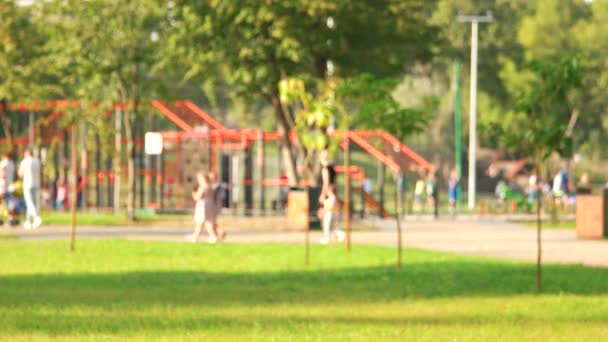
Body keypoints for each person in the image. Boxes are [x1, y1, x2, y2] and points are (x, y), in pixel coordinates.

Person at [187, 172, 219, 244]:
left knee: (205, 222)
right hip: (210, 205)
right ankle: (195, 236)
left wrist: (194, 195)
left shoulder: (203, 187)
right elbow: (214, 197)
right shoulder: (210, 187)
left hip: (202, 206)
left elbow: (198, 197)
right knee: (202, 223)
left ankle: (213, 236)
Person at [18, 149, 41, 230]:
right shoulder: (37, 161)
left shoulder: (25, 162)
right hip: (36, 184)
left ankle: (36, 218)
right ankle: (28, 221)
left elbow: (20, 173)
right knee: (32, 203)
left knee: (29, 202)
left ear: (26, 153)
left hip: (27, 184)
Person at [208, 171, 226, 241]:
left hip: (214, 206)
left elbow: (216, 197)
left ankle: (218, 233)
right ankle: (218, 233)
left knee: (211, 221)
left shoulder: (217, 186)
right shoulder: (216, 186)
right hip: (215, 205)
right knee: (212, 221)